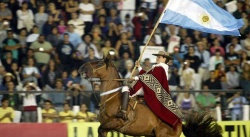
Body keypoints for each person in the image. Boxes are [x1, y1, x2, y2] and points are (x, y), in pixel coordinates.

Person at [116, 50, 183, 128]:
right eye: (157, 57)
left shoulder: (160, 68)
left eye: (159, 57)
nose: (157, 58)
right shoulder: (159, 68)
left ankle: (123, 111)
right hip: (151, 88)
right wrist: (139, 67)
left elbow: (150, 78)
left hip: (152, 90)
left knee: (126, 88)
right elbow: (148, 75)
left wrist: (134, 78)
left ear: (164, 59)